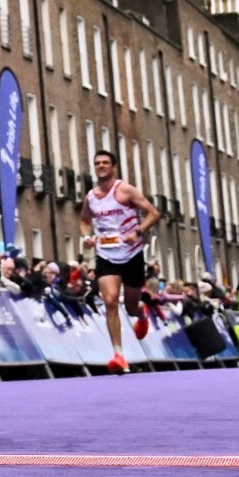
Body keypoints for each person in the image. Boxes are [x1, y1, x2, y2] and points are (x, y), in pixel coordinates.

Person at [76, 147, 163, 373]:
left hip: (132, 254)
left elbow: (153, 213)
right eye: (97, 163)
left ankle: (141, 313)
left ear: (113, 167)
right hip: (106, 254)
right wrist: (87, 237)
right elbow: (84, 221)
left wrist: (138, 231)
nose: (101, 166)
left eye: (105, 162)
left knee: (131, 306)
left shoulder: (125, 190)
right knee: (111, 301)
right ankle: (118, 355)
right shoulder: (91, 197)